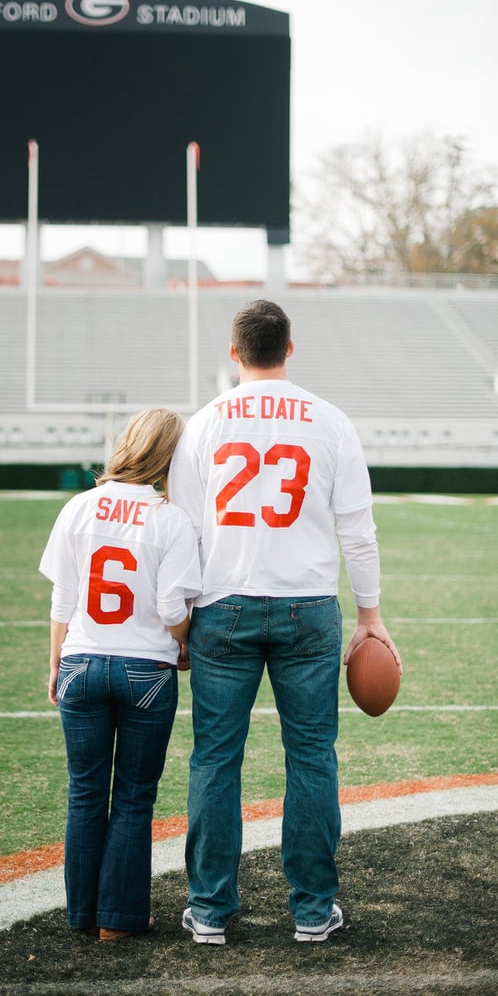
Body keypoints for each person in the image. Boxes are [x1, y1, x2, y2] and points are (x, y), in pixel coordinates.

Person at [169, 299, 401, 946]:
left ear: (234, 352)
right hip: (307, 609)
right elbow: (357, 530)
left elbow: (185, 533)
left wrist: (182, 621)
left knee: (216, 760)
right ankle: (311, 910)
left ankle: (211, 911)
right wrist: (371, 616)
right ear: (290, 349)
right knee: (311, 759)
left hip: (224, 605)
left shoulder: (205, 423)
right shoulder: (329, 420)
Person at [39, 407, 201, 942]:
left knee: (85, 792)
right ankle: (120, 920)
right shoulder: (172, 519)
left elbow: (63, 597)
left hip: (82, 660)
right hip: (146, 672)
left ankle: (82, 915)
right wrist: (183, 643)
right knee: (134, 796)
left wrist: (57, 662)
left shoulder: (79, 507)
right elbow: (172, 605)